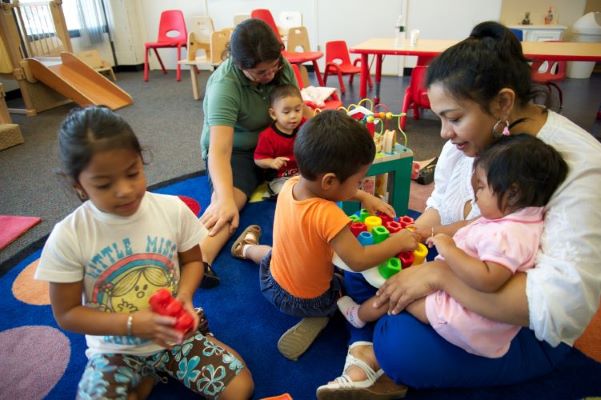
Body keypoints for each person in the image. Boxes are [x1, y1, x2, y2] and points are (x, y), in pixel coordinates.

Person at [317, 21, 601, 399]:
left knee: (400, 345)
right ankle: (370, 341)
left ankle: (371, 345)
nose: (443, 135)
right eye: (441, 119)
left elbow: (557, 305)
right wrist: (412, 236)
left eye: (453, 118)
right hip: (461, 264)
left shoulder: (580, 166)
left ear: (502, 102)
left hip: (510, 323)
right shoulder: (470, 139)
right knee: (362, 264)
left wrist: (438, 277)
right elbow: (438, 209)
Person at [34, 106, 254, 400]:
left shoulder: (171, 209)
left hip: (174, 336)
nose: (125, 190)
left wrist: (185, 297)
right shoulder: (69, 235)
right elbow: (67, 314)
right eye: (104, 184)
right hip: (116, 350)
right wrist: (132, 324)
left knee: (240, 390)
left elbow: (192, 261)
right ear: (79, 186)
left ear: (142, 160)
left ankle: (164, 363)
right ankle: (149, 374)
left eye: (132, 173)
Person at [338, 133, 568, 358]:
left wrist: (448, 249)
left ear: (513, 193)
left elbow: (487, 279)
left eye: (481, 187)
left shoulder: (507, 235)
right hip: (465, 299)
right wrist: (431, 232)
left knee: (395, 290)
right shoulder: (519, 217)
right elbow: (469, 225)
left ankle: (359, 316)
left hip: (463, 315)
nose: (476, 194)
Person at [231, 110, 418, 361]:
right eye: (358, 182)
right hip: (305, 301)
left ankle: (246, 249)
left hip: (271, 277)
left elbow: (332, 189)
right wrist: (399, 241)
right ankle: (319, 316)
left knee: (276, 252)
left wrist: (362, 196)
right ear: (329, 182)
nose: (359, 188)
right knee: (344, 284)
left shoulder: (291, 185)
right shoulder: (329, 214)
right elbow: (358, 260)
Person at [199, 18, 299, 287]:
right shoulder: (224, 86)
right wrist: (224, 198)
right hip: (238, 151)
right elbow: (219, 151)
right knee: (229, 204)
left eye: (273, 67)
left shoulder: (280, 66)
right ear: (240, 65)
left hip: (277, 139)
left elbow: (297, 110)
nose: (270, 75)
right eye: (260, 73)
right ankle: (198, 258)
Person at [254, 84, 306, 198]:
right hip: (280, 178)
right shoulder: (267, 136)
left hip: (302, 173)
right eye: (286, 112)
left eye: (297, 110)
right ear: (273, 114)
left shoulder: (304, 125)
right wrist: (271, 162)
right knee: (285, 192)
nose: (293, 116)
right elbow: (258, 159)